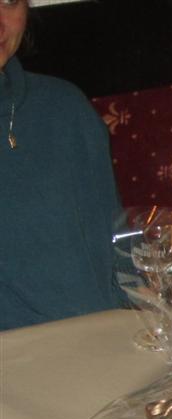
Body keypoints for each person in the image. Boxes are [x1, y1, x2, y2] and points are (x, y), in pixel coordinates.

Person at [0, 0, 122, 331]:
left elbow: (117, 238)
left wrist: (141, 310)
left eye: (9, 1)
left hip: (101, 339)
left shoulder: (64, 107)